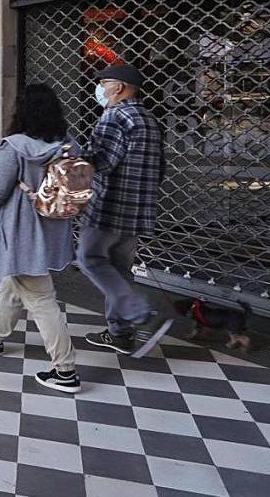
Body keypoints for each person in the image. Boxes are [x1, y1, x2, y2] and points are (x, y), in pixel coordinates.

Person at [0, 84, 80, 393]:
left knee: (40, 297)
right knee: (15, 283)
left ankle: (65, 371)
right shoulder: (68, 145)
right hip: (53, 231)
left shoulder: (13, 147)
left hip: (22, 234)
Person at [78, 64, 172, 357]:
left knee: (90, 258)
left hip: (109, 207)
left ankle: (138, 311)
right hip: (138, 209)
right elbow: (160, 168)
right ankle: (120, 334)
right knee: (119, 269)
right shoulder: (149, 118)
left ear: (118, 87)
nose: (100, 89)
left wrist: (74, 156)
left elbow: (101, 162)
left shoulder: (114, 116)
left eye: (103, 83)